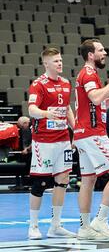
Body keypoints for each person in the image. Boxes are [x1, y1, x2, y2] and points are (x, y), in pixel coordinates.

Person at [73, 39, 109, 240]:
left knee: (88, 180)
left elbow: (93, 102)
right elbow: (95, 98)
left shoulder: (87, 74)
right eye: (100, 50)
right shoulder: (88, 73)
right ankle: (101, 220)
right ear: (90, 55)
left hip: (82, 135)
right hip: (92, 134)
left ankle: (85, 228)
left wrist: (108, 100)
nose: (104, 52)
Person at [27, 48, 77, 240]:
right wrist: (46, 113)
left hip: (63, 140)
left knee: (63, 180)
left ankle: (55, 226)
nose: (60, 63)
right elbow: (31, 109)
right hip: (44, 141)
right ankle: (33, 226)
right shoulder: (38, 85)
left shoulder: (65, 83)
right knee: (40, 182)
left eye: (60, 60)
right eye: (55, 61)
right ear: (46, 64)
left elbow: (67, 108)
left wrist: (76, 130)